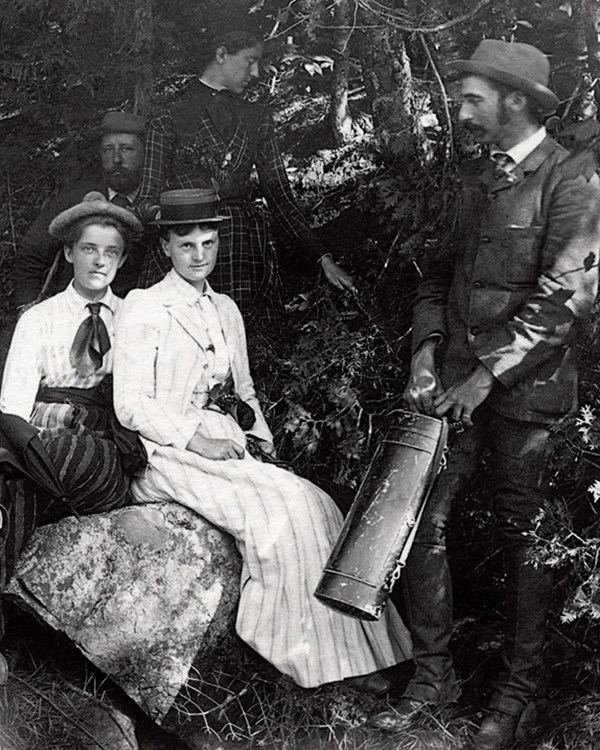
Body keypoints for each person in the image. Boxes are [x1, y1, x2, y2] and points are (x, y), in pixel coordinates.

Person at [370, 40, 600, 750]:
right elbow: (433, 278)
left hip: (526, 399)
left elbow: (568, 295)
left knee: (521, 538)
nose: (461, 112)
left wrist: (483, 377)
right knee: (422, 523)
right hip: (453, 390)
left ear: (518, 102)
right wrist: (424, 353)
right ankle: (434, 680)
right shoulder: (473, 179)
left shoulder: (573, 178)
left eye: (473, 99)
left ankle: (517, 696)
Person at [113, 188, 410, 690]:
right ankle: (309, 657)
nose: (200, 255)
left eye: (209, 243)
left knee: (314, 501)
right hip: (168, 452)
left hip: (228, 440)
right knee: (282, 515)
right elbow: (131, 403)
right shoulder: (145, 306)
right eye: (187, 245)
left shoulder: (225, 308)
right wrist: (195, 441)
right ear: (165, 246)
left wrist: (263, 443)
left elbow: (243, 389)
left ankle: (359, 651)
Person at [0, 192, 145, 683]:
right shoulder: (38, 319)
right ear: (68, 253)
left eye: (110, 251)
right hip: (38, 445)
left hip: (103, 448)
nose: (99, 260)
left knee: (48, 470)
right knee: (13, 483)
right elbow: (13, 409)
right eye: (88, 249)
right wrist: (33, 454)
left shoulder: (136, 319)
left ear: (123, 259)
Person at [136, 28, 355, 334]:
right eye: (250, 60)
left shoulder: (257, 118)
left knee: (247, 348)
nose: (255, 73)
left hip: (243, 252)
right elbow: (145, 200)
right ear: (222, 54)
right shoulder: (168, 117)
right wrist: (176, 222)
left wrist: (322, 257)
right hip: (185, 252)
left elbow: (280, 197)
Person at [13, 111, 145, 313]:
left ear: (145, 153)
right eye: (108, 150)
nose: (117, 159)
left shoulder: (157, 200)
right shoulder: (74, 198)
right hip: (75, 313)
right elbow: (32, 252)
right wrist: (28, 307)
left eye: (127, 149)